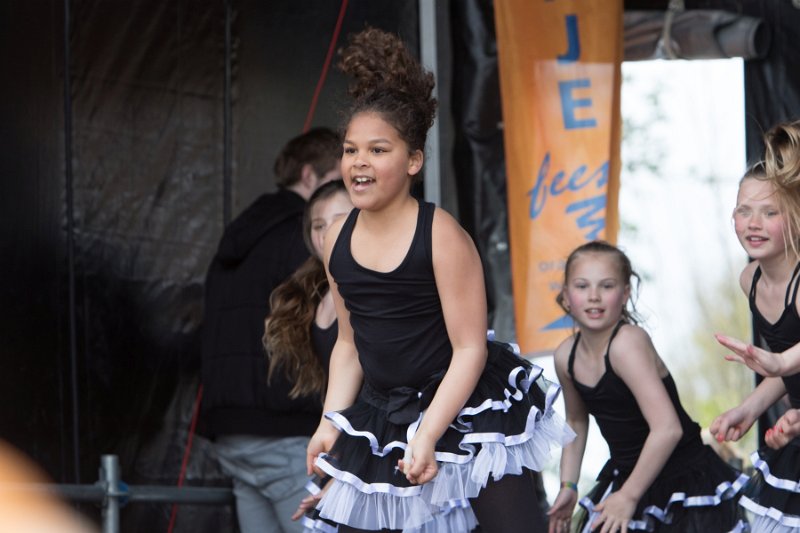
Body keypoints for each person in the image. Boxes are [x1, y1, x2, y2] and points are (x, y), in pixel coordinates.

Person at [303, 27, 574, 533]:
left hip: (467, 408)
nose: (359, 161)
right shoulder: (337, 237)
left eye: (378, 150)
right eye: (350, 150)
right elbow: (347, 344)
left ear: (412, 161)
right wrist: (328, 423)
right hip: (383, 415)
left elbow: (469, 349)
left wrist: (429, 432)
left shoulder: (441, 235)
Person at [548, 241, 747, 533]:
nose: (593, 296)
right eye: (582, 286)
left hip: (683, 479)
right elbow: (576, 421)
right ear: (566, 296)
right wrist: (569, 484)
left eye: (606, 286)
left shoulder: (627, 342)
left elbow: (668, 428)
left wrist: (628, 495)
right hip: (630, 477)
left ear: (626, 293)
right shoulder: (565, 356)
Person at [200, 128, 341, 533]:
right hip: (283, 426)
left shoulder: (238, 238)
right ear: (311, 176)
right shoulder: (299, 240)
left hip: (231, 431)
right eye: (339, 178)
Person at [711, 119, 800, 532]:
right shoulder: (751, 280)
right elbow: (785, 367)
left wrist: (780, 362)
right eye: (743, 210)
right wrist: (747, 409)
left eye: (769, 212)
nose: (753, 223)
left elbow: (784, 363)